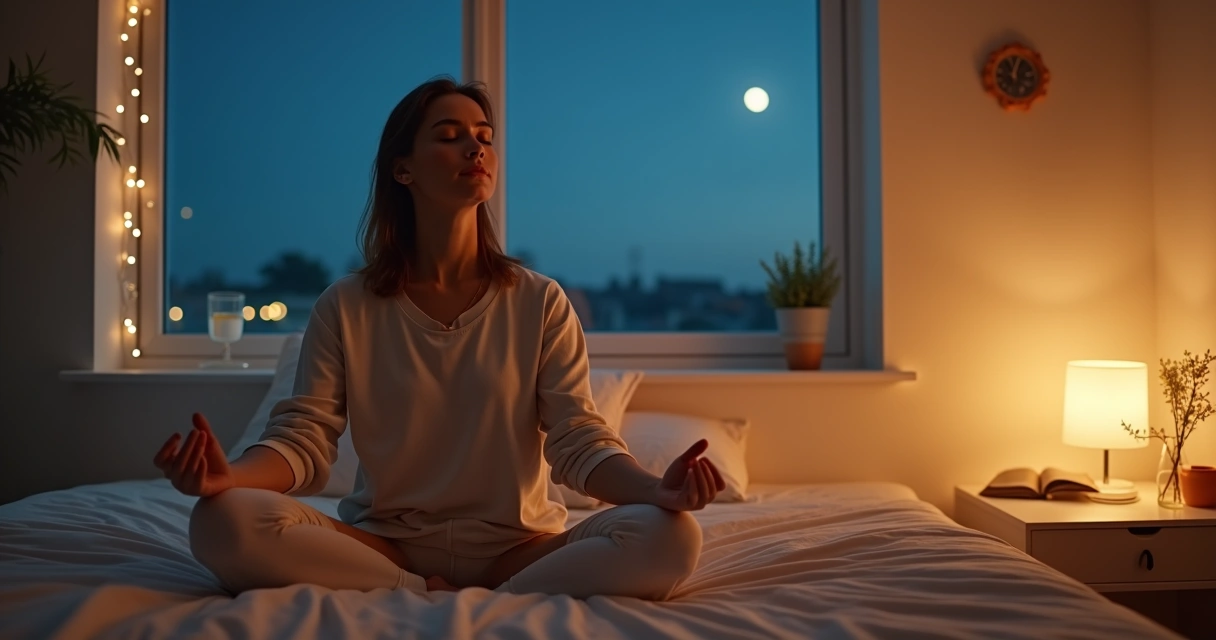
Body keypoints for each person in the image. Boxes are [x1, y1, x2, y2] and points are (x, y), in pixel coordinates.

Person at [151, 76, 725, 599]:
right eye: (450, 137)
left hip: (519, 550)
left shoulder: (540, 300)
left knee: (670, 537)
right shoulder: (346, 305)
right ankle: (416, 587)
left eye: (484, 136)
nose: (476, 148)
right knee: (220, 520)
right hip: (385, 544)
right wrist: (229, 476)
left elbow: (579, 442)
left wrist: (657, 490)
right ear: (403, 169)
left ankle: (495, 590)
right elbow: (303, 439)